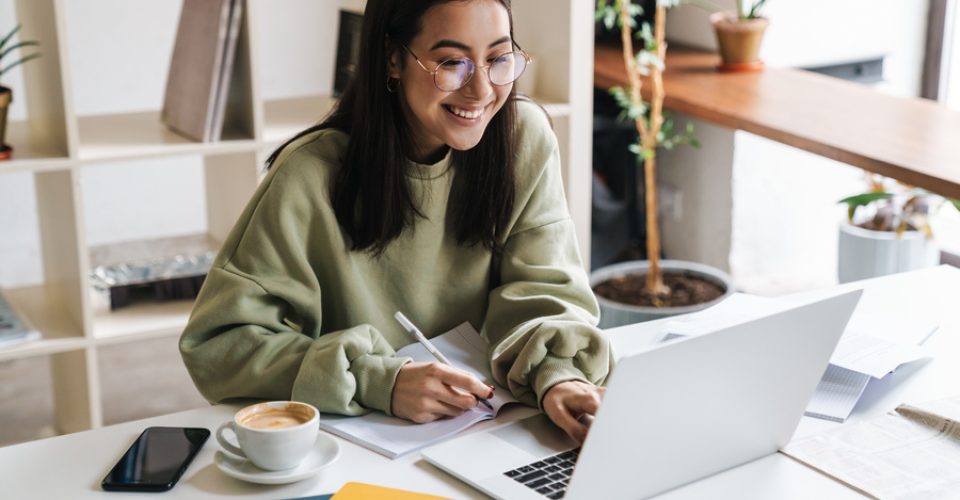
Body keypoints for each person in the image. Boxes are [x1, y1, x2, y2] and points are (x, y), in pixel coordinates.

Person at [179, 0, 613, 444]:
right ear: (393, 59)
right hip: (355, 444)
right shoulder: (309, 174)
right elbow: (218, 346)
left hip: (490, 427)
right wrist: (377, 380)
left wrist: (560, 376)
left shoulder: (525, 139)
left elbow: (544, 292)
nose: (481, 90)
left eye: (499, 59)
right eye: (451, 63)